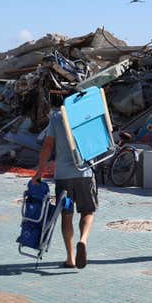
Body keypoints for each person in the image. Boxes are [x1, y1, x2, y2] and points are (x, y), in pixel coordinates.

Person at [32, 97, 97, 269]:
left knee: (66, 215)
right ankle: (83, 240)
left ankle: (70, 258)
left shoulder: (57, 117)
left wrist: (39, 172)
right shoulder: (89, 115)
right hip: (84, 173)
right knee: (87, 212)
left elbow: (47, 146)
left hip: (62, 175)